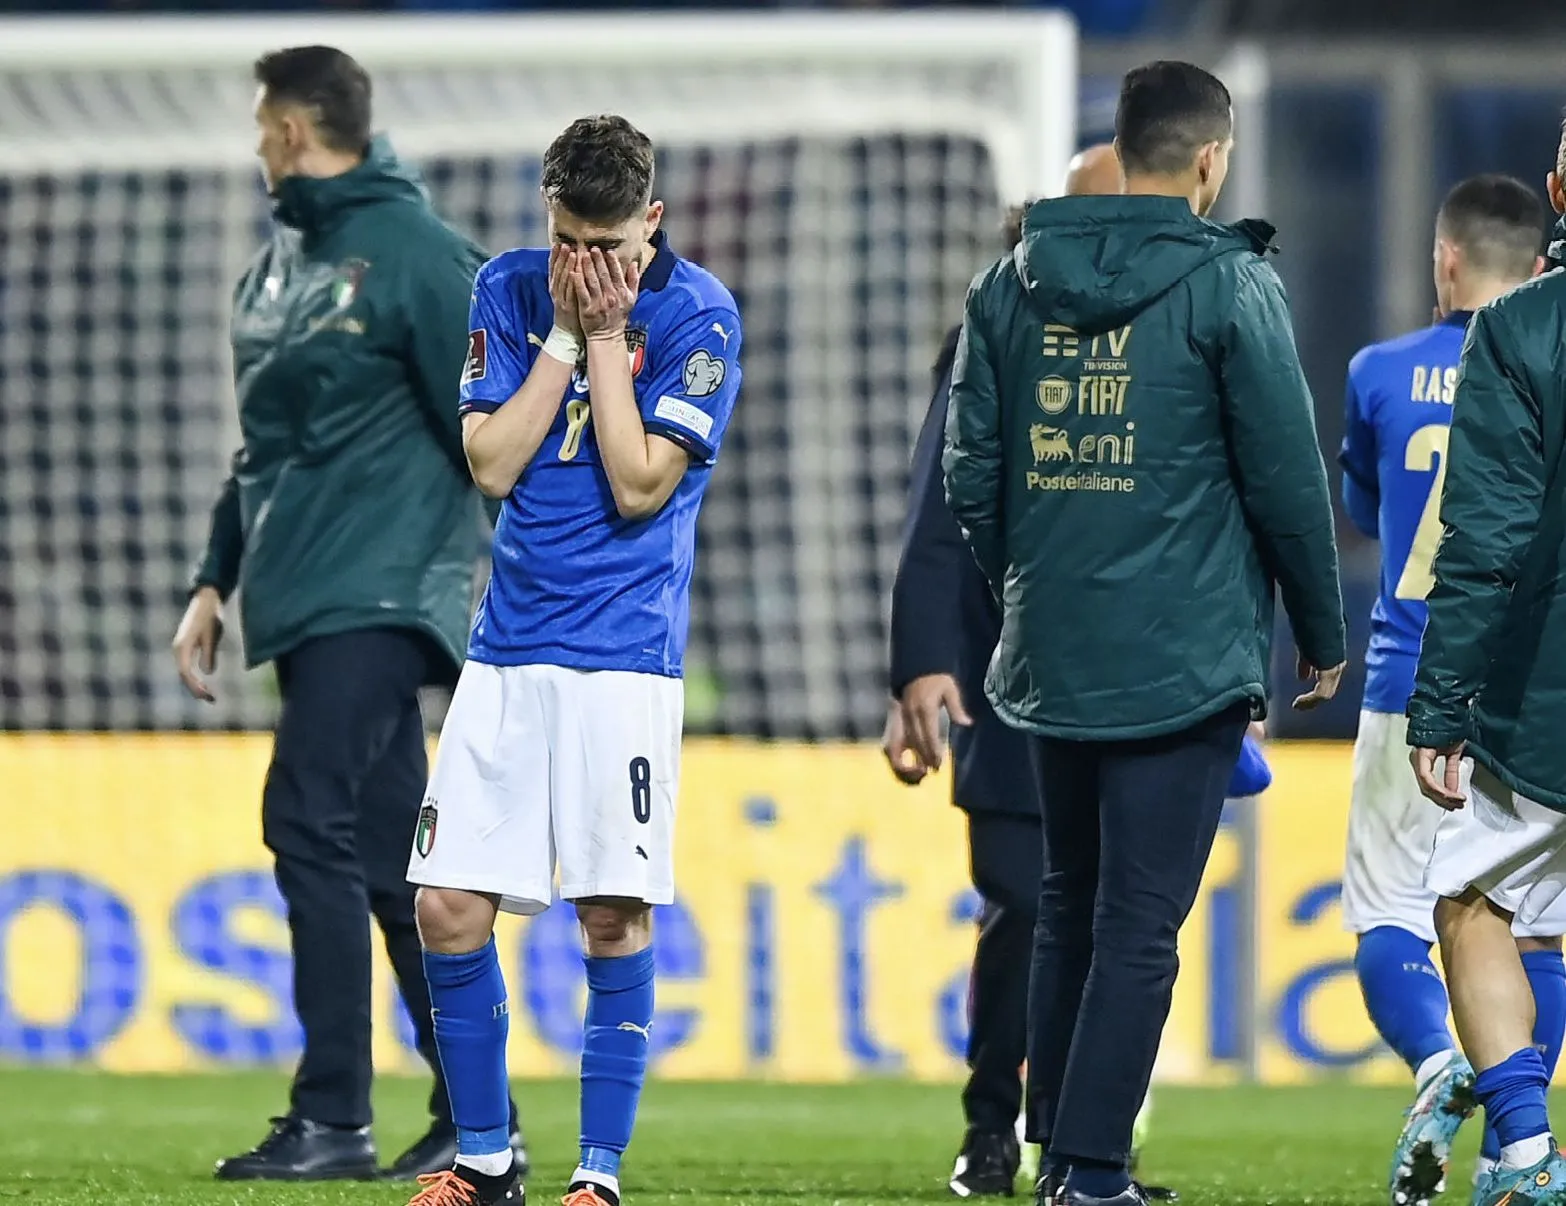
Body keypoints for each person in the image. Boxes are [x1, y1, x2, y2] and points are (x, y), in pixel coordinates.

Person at [944, 60, 1345, 1206]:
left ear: (1121, 147)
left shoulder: (1009, 284)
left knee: (1070, 897)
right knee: (1138, 921)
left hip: (1051, 651)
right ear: (1212, 159)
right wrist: (1321, 632)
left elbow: (970, 470)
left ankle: (1058, 1148)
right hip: (1180, 661)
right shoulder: (1231, 288)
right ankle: (1089, 1165)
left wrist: (1032, 576)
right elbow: (1284, 478)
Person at [170, 45, 524, 1182]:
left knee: (303, 821)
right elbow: (263, 451)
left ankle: (332, 1115)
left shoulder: (416, 256)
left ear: (286, 130)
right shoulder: (281, 270)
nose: (257, 148)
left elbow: (487, 426)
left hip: (381, 588)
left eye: (260, 128)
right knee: (384, 858)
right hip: (300, 594)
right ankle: (479, 1116)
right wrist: (212, 581)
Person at [403, 115, 742, 1206]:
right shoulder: (508, 290)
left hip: (623, 661)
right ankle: (485, 1160)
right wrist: (562, 335)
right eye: (568, 241)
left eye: (609, 248)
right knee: (447, 907)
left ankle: (597, 1176)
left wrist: (604, 341)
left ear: (653, 218)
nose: (587, 269)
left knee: (610, 913)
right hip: (505, 654)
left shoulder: (698, 312)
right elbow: (493, 464)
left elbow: (643, 482)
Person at [1338, 174, 1562, 1206]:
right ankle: (1516, 1137)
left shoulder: (1387, 369)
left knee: (1418, 905)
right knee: (1546, 925)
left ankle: (1450, 1067)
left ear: (1446, 259)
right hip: (1528, 670)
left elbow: (1388, 514)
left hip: (1442, 677)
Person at [1407, 122, 1566, 1206]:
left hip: (1544, 690)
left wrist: (1440, 704)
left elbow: (1490, 537)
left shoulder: (1516, 329)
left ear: (1559, 186)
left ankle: (1520, 1151)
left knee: (1474, 901)